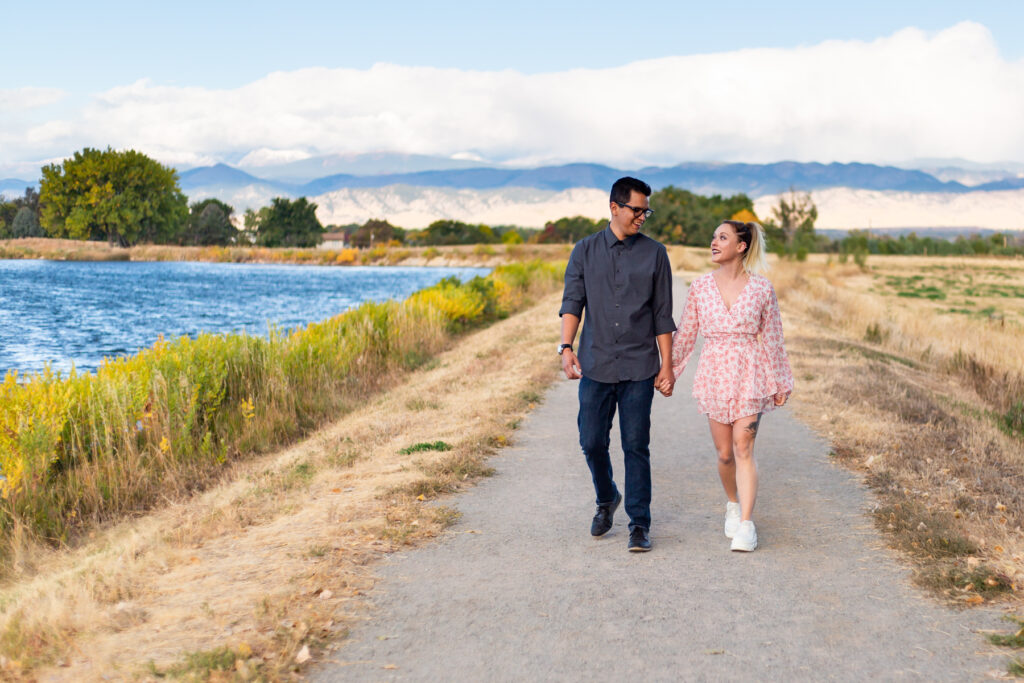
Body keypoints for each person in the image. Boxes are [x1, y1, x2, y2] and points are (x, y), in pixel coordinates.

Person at [559, 176, 676, 553]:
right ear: (615, 208)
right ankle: (607, 496)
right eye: (636, 210)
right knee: (591, 441)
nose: (643, 216)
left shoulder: (655, 254)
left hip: (639, 366)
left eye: (647, 211)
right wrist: (566, 347)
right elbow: (572, 301)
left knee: (635, 444)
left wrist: (667, 365)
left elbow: (662, 314)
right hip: (596, 363)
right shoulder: (585, 250)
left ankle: (639, 523)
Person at [670, 220, 793, 552]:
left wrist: (780, 380)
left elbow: (773, 339)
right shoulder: (700, 288)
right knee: (725, 454)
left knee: (743, 448)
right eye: (713, 236)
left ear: (740, 246)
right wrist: (667, 372)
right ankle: (732, 504)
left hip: (748, 375)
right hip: (714, 374)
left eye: (721, 237)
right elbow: (685, 335)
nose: (713, 242)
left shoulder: (762, 289)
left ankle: (747, 525)